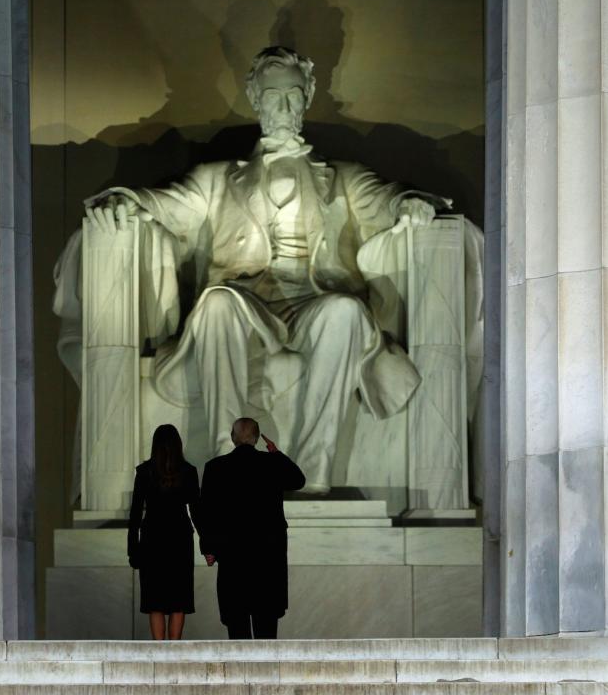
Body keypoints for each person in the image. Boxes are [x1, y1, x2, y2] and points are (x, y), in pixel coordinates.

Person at [81, 45, 458, 494]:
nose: (282, 106)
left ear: (308, 95)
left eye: (293, 95)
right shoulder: (217, 178)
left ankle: (312, 470)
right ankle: (227, 461)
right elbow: (165, 205)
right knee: (216, 303)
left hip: (312, 301)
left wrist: (409, 204)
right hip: (246, 302)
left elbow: (384, 199)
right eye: (272, 94)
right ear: (254, 97)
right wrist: (126, 201)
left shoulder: (341, 176)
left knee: (346, 312)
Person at [199, 417, 305, 639]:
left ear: (232, 438)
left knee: (237, 629)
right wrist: (275, 452)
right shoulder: (272, 463)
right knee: (266, 629)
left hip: (232, 557)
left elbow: (206, 512)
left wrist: (208, 548)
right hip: (268, 558)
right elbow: (298, 480)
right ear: (257, 439)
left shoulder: (215, 467)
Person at [127, 424, 202, 640]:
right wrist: (208, 543)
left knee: (155, 601)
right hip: (180, 538)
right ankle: (174, 649)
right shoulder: (188, 472)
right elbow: (197, 512)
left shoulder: (144, 472)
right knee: (179, 599)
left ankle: (159, 650)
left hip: (152, 538)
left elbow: (134, 515)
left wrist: (133, 549)